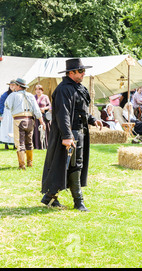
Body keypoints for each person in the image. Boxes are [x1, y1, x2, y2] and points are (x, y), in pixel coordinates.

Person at [41, 58, 102, 211]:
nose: (83, 74)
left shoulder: (78, 88)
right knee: (73, 165)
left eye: (83, 71)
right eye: (80, 71)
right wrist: (67, 136)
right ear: (71, 72)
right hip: (69, 134)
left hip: (79, 132)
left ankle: (49, 198)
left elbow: (81, 111)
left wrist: (93, 120)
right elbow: (63, 114)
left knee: (69, 165)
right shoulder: (63, 89)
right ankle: (78, 202)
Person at [5, 78, 45, 169]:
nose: (14, 86)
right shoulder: (31, 95)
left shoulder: (13, 95)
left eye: (15, 85)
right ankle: (30, 163)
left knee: (20, 143)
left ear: (19, 86)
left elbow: (7, 105)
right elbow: (37, 110)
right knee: (29, 142)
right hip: (31, 121)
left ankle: (22, 165)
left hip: (19, 121)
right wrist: (42, 122)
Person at [32, 84, 52, 149]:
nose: (38, 91)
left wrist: (44, 108)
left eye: (40, 89)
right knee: (36, 131)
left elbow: (50, 106)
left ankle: (46, 145)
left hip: (44, 117)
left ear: (42, 90)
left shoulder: (45, 97)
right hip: (36, 117)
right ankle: (37, 145)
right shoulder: (33, 97)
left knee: (45, 131)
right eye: (37, 89)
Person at [0, 80, 16, 149]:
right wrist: (0, 114)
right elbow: (1, 105)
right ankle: (6, 144)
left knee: (14, 128)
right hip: (6, 114)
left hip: (14, 113)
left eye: (13, 85)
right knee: (6, 128)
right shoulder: (5, 95)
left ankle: (15, 144)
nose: (12, 86)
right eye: (10, 85)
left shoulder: (17, 94)